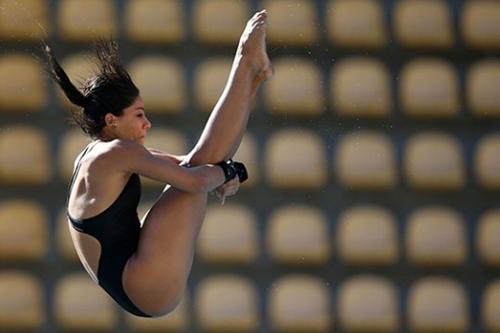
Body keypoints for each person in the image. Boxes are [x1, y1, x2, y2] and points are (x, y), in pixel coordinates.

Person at [45, 10, 272, 317]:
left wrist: (224, 172)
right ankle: (246, 62)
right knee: (203, 165)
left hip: (136, 278)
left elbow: (188, 165)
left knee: (204, 161)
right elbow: (194, 180)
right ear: (111, 120)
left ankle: (250, 74)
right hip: (143, 285)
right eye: (139, 115)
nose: (147, 124)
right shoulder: (112, 154)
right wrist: (229, 172)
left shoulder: (97, 154)